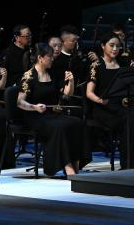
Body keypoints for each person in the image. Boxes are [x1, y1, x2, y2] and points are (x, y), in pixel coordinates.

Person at [17, 43, 85, 176]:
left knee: (76, 122)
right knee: (59, 127)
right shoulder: (29, 76)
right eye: (49, 56)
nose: (52, 59)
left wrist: (71, 82)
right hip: (34, 116)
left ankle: (75, 162)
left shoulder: (52, 73)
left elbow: (67, 94)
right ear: (40, 58)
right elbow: (20, 102)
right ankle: (67, 166)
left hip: (51, 114)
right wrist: (34, 107)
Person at [86, 35, 134, 168]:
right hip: (104, 109)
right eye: (111, 45)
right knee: (130, 118)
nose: (115, 49)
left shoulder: (123, 63)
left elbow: (131, 88)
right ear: (103, 46)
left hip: (121, 106)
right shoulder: (97, 65)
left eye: (118, 46)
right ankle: (128, 163)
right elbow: (89, 93)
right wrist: (100, 100)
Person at [0, 24, 33, 90]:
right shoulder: (7, 53)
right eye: (27, 36)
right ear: (17, 38)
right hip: (12, 89)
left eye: (30, 35)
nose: (30, 37)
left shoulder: (30, 51)